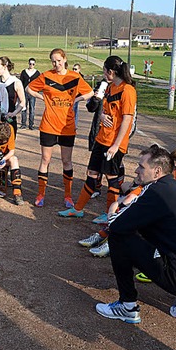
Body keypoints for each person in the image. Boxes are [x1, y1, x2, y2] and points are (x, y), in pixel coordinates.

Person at [95, 144, 176, 324]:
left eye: (141, 167)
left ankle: (127, 306)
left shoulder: (157, 192)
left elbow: (118, 226)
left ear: (157, 171)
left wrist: (114, 212)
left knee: (119, 236)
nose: (136, 170)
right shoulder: (175, 187)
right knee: (146, 228)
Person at [59, 56, 135, 222]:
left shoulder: (127, 90)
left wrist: (116, 145)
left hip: (114, 144)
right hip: (101, 139)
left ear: (111, 71)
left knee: (111, 177)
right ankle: (77, 209)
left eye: (104, 70)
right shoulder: (108, 87)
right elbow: (100, 109)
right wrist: (100, 115)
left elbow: (127, 119)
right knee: (92, 173)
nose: (103, 74)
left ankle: (110, 214)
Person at [26, 48, 94, 208]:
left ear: (64, 59)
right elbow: (29, 88)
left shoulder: (74, 77)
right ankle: (41, 194)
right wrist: (41, 96)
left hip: (67, 127)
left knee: (66, 161)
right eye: (53, 61)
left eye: (58, 60)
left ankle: (68, 196)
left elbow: (90, 92)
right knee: (45, 159)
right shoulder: (46, 76)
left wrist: (76, 100)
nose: (56, 64)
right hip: (48, 125)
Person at [77, 181, 143, 257]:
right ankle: (103, 235)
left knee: (131, 200)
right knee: (126, 189)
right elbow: (116, 203)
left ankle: (111, 242)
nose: (136, 171)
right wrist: (111, 215)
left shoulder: (152, 190)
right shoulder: (140, 188)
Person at [0, 56, 26, 136]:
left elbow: (22, 102)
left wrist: (14, 113)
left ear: (5, 66)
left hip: (9, 120)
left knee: (8, 146)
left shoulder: (16, 82)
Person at [20, 58, 40, 130]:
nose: (31, 65)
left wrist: (36, 92)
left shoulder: (37, 73)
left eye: (33, 64)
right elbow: (21, 82)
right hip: (25, 92)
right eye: (30, 64)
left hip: (32, 93)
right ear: (28, 63)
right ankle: (23, 124)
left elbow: (39, 83)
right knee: (23, 108)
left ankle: (31, 125)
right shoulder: (24, 72)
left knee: (32, 109)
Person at [71, 63, 85, 127]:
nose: (74, 70)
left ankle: (74, 125)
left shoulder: (81, 77)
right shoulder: (71, 76)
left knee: (75, 110)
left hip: (77, 96)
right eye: (73, 69)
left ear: (79, 69)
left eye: (75, 69)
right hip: (71, 95)